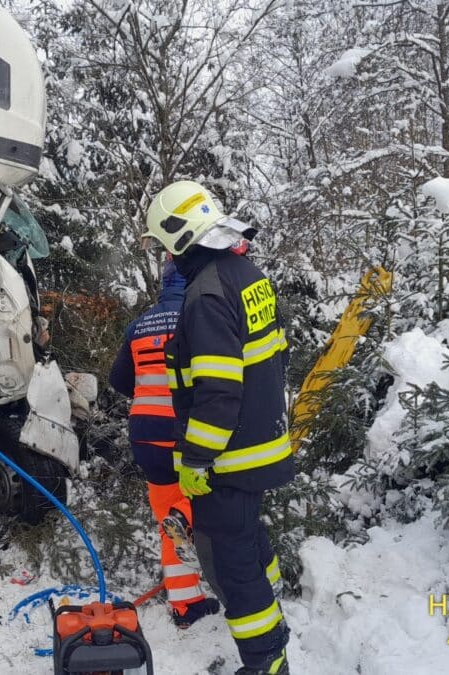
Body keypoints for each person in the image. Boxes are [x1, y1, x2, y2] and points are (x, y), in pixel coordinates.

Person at [141, 180, 294, 675]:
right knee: (246, 536)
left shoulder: (206, 294)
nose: (164, 256)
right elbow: (273, 357)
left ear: (178, 238)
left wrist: (197, 459)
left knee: (232, 563)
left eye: (163, 246)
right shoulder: (247, 273)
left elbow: (218, 390)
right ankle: (275, 603)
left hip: (229, 456)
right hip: (262, 441)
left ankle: (266, 658)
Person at [109, 260, 222, 628]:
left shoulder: (138, 325)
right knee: (197, 504)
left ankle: (186, 604)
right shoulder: (197, 316)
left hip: (144, 433)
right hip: (182, 431)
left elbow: (120, 380)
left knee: (168, 520)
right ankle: (183, 518)